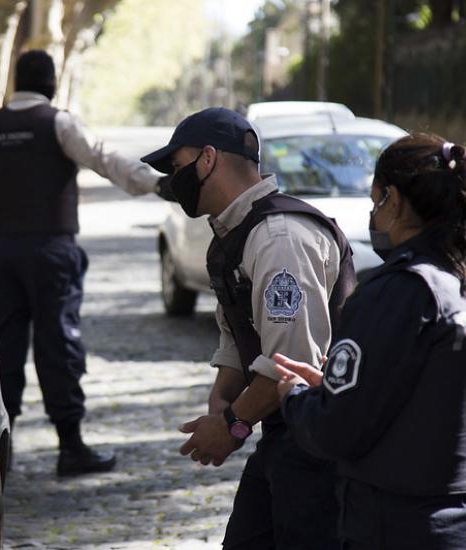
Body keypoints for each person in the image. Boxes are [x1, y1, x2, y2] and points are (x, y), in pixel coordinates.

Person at [141, 107, 356, 549]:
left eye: (178, 166)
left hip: (322, 444)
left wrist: (232, 424)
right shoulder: (236, 234)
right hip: (286, 433)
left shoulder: (279, 238)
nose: (174, 180)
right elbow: (237, 332)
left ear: (207, 159)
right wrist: (222, 398)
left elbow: (292, 363)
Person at [0, 50, 167, 476]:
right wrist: (156, 183)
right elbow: (104, 159)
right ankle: (70, 446)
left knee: (3, 347)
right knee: (59, 344)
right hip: (51, 252)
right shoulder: (60, 123)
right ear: (52, 83)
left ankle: (0, 456)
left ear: (15, 82)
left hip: (1, 253)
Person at [274, 133, 466, 550]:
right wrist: (333, 388)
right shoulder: (453, 281)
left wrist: (297, 396)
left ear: (392, 200)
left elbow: (335, 430)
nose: (372, 215)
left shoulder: (398, 292)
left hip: (398, 523)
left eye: (374, 201)